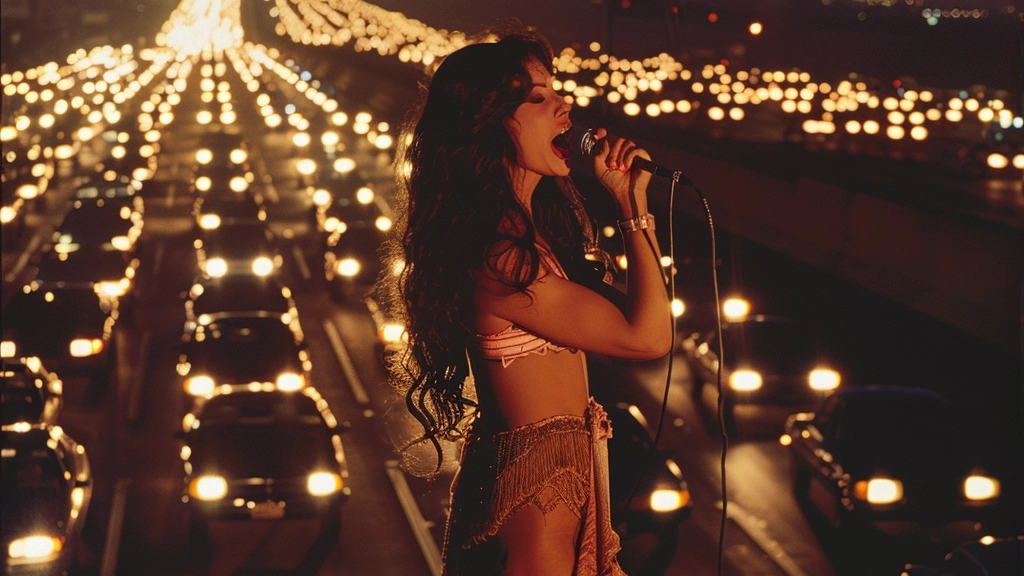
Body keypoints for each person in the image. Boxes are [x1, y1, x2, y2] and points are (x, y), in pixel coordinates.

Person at [381, 22, 672, 576]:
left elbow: (638, 317)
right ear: (489, 126)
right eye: (539, 99)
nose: (565, 108)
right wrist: (634, 209)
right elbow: (649, 336)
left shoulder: (525, 237)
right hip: (538, 532)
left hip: (554, 523)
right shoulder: (501, 255)